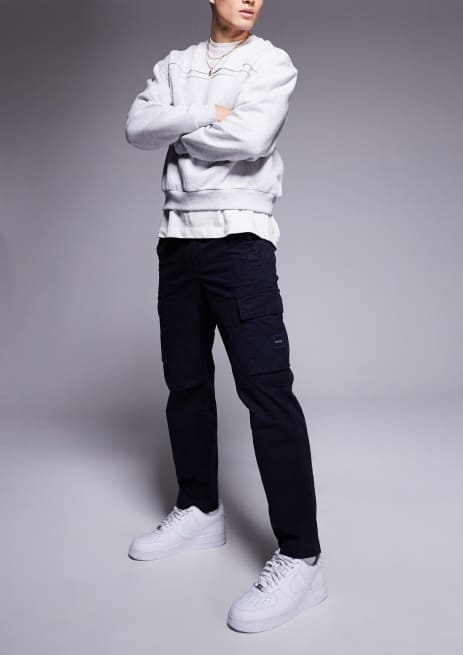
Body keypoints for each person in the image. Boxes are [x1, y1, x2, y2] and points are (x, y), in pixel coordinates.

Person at [124, 0, 327, 632]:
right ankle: (199, 508)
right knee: (185, 383)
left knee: (267, 392)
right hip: (176, 240)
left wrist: (178, 125)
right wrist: (206, 112)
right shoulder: (175, 64)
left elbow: (250, 138)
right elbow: (137, 126)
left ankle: (302, 557)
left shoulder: (271, 63)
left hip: (241, 240)